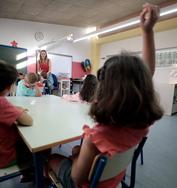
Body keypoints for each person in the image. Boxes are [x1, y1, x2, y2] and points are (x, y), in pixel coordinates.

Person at [47, 3, 163, 188]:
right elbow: (146, 74)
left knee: (51, 157)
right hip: (114, 179)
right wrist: (148, 31)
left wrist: (77, 155)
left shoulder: (96, 136)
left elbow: (76, 178)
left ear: (104, 90)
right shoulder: (141, 124)